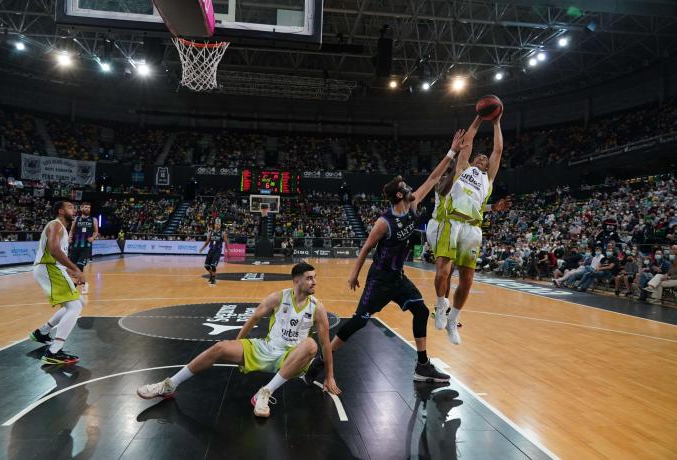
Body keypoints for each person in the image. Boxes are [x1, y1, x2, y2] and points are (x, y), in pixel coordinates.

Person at [305, 130, 472, 385]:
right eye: (405, 187)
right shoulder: (384, 222)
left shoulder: (413, 204)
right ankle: (320, 361)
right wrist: (354, 274)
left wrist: (452, 152)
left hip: (398, 278)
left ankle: (423, 366)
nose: (409, 188)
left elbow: (434, 177)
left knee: (421, 311)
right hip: (379, 280)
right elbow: (366, 248)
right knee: (358, 323)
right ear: (398, 195)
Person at [137, 262, 340, 418]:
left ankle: (264, 393)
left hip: (291, 358)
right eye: (310, 278)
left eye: (315, 278)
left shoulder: (317, 308)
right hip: (266, 348)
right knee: (219, 348)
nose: (315, 282)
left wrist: (329, 376)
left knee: (311, 345)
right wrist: (237, 342)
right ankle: (170, 384)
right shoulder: (278, 298)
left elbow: (325, 344)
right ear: (296, 281)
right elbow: (253, 318)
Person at [436, 110, 504, 345]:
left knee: (467, 279)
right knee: (444, 271)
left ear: (487, 167)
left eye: (485, 160)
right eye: (479, 157)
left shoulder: (488, 179)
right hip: (453, 221)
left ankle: (453, 319)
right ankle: (440, 306)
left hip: (473, 228)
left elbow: (498, 150)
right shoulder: (463, 168)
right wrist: (479, 118)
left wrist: (496, 122)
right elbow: (468, 142)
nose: (482, 159)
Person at [29, 201, 86, 365]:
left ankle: (43, 332)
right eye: (70, 207)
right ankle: (54, 351)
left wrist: (67, 270)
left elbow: (55, 253)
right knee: (75, 306)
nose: (74, 209)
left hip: (52, 268)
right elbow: (54, 250)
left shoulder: (61, 227)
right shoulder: (56, 225)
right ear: (61, 211)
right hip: (49, 268)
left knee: (76, 302)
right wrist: (75, 269)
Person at [68, 202, 98, 294]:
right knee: (72, 268)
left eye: (89, 207)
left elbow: (96, 232)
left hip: (86, 246)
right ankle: (77, 284)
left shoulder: (93, 219)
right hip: (75, 246)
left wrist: (93, 238)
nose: (88, 209)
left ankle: (84, 284)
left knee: (80, 265)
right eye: (86, 207)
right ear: (81, 208)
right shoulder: (76, 219)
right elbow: (72, 230)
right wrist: (69, 237)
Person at [199, 218, 228, 284]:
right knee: (206, 266)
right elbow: (207, 242)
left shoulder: (222, 233)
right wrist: (202, 248)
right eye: (216, 224)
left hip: (217, 251)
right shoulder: (210, 232)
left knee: (213, 266)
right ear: (214, 225)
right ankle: (212, 275)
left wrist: (228, 251)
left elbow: (226, 242)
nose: (217, 225)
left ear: (220, 225)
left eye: (219, 224)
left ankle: (213, 279)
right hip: (211, 250)